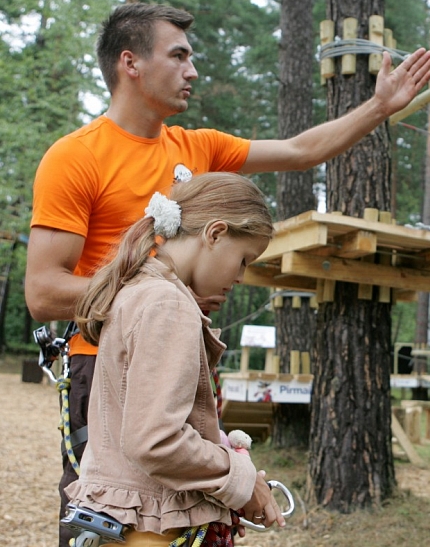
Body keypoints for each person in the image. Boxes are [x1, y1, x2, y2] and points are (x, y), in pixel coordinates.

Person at [23, 2, 430, 547]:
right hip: (106, 369)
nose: (193, 71)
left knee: (190, 519)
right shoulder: (75, 157)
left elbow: (299, 150)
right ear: (131, 63)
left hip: (185, 362)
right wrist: (156, 298)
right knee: (109, 522)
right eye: (179, 56)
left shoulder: (198, 148)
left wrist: (379, 107)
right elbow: (44, 292)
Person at [66, 172, 281, 546]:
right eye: (244, 259)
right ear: (214, 234)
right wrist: (242, 481)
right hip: (152, 531)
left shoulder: (140, 291)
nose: (242, 277)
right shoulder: (168, 304)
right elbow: (157, 440)